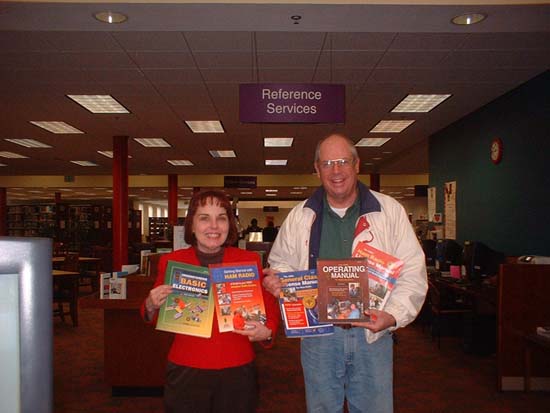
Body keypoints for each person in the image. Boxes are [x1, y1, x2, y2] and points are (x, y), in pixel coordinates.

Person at [263, 134, 427, 413]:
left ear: (356, 165)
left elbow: (413, 272)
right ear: (317, 169)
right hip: (319, 338)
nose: (336, 171)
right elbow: (281, 264)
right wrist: (277, 280)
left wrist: (394, 315)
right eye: (327, 163)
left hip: (371, 337)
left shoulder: (390, 212)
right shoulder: (300, 216)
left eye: (342, 162)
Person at [141, 190, 280, 413]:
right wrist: (151, 303)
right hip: (186, 368)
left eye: (221, 218)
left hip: (238, 368)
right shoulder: (172, 262)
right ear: (192, 226)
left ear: (230, 225)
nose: (213, 226)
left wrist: (268, 331)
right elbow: (152, 313)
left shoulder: (249, 261)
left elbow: (269, 311)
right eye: (204, 218)